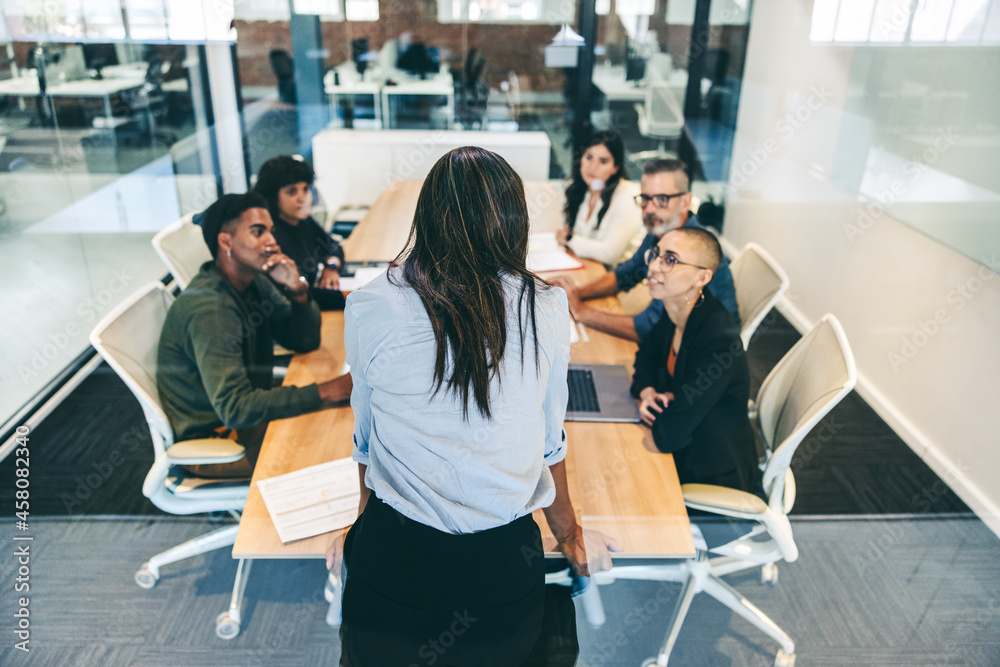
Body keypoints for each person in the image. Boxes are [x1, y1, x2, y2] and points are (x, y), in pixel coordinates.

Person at [327, 146, 618, 667]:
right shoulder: (544, 308)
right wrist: (569, 533)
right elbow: (549, 440)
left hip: (392, 569)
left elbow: (367, 438)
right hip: (500, 580)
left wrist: (361, 529)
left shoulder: (370, 304)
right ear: (513, 222)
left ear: (426, 216)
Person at [157, 192, 352, 475]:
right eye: (258, 232)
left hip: (246, 418)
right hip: (217, 441)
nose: (272, 241)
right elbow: (235, 408)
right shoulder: (211, 310)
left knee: (340, 434)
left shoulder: (253, 282)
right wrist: (327, 390)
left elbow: (303, 340)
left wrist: (297, 291)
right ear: (226, 242)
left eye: (271, 231)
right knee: (331, 454)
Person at [630, 226, 759, 502]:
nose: (653, 266)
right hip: (686, 443)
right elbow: (646, 356)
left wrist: (666, 406)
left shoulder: (717, 339)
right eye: (656, 254)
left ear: (702, 277)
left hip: (710, 472)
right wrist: (647, 392)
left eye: (671, 260)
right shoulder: (677, 308)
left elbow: (669, 435)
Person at [551, 158, 738, 342]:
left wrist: (581, 311)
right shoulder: (661, 231)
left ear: (685, 202)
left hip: (704, 349)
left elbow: (648, 329)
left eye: (661, 200)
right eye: (645, 199)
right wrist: (574, 293)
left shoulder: (694, 251)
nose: (649, 209)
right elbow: (626, 274)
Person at [253, 155, 347, 311]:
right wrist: (348, 297)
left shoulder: (303, 221)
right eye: (292, 192)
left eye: (306, 189)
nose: (302, 198)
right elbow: (297, 292)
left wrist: (331, 267)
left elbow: (332, 245)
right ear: (272, 195)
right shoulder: (270, 236)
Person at [556, 131, 643, 266]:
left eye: (603, 161)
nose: (593, 167)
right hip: (588, 266)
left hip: (617, 278)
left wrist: (569, 239)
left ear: (615, 168)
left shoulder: (629, 196)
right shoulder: (579, 189)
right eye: (589, 157)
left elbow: (609, 253)